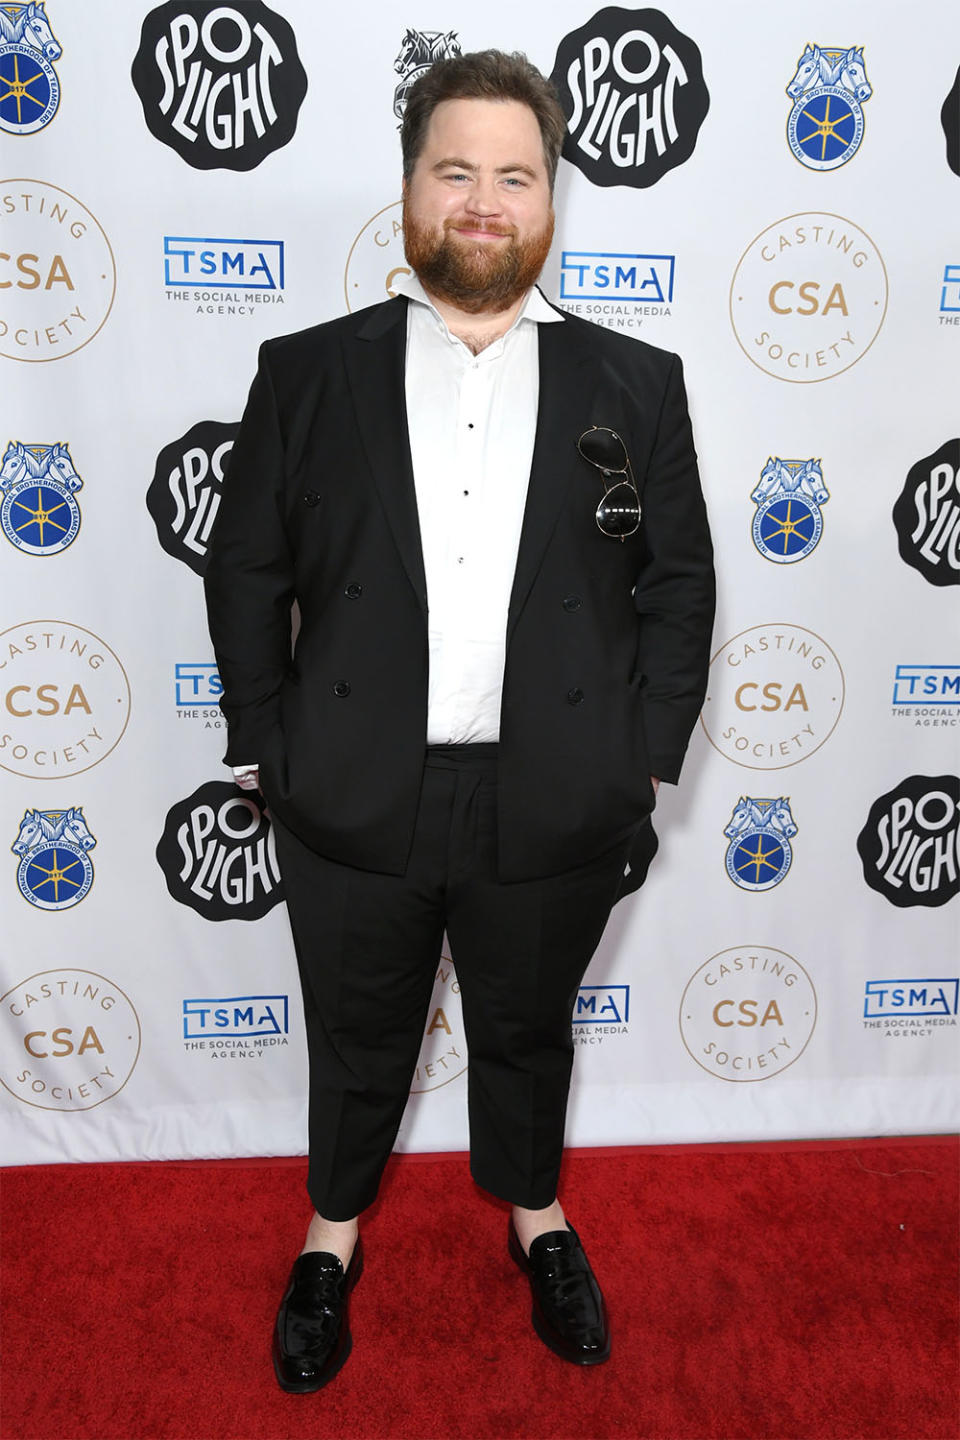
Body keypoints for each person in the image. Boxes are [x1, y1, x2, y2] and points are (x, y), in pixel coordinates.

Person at [204, 49, 714, 1392]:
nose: (483, 201)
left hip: (555, 790)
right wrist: (273, 740)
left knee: (527, 1027)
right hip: (354, 783)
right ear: (412, 188)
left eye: (513, 174)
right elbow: (247, 567)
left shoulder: (636, 382)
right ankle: (332, 1240)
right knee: (357, 1029)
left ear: (549, 197)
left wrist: (639, 759)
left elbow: (680, 584)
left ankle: (536, 1219)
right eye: (456, 171)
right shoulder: (309, 374)